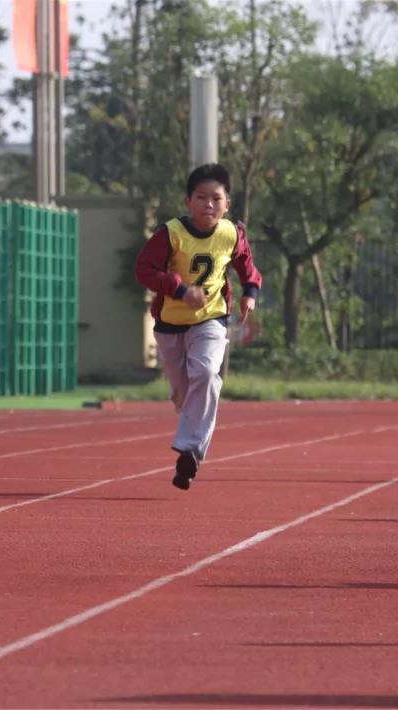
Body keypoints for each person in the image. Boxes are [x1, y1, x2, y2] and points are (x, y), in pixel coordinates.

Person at [135, 163, 262, 490]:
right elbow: (144, 270)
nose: (209, 205)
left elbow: (247, 265)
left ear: (227, 204)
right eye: (201, 198)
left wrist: (250, 293)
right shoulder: (171, 234)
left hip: (211, 318)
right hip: (170, 323)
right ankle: (188, 421)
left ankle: (189, 451)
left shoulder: (231, 234)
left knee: (205, 374)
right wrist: (179, 290)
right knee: (183, 393)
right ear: (188, 201)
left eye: (216, 199)